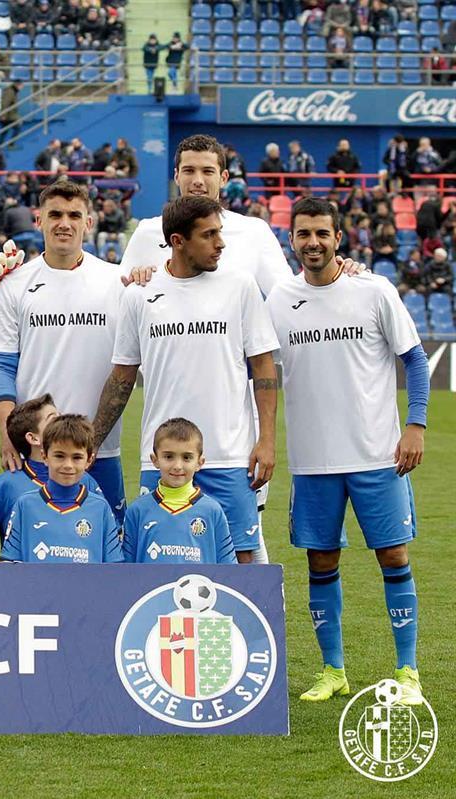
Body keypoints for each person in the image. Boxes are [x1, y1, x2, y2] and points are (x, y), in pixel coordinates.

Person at [268, 197, 427, 704]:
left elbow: (416, 361)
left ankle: (408, 670)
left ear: (339, 237)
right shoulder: (278, 300)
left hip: (379, 456)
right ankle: (332, 670)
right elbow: (261, 371)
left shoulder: (373, 290)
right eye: (303, 234)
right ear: (291, 241)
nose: (312, 242)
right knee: (320, 562)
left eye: (322, 233)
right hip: (314, 462)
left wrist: (416, 425)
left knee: (394, 555)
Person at [119, 135, 297, 564]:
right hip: (165, 429)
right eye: (189, 171)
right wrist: (136, 278)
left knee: (243, 539)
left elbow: (290, 299)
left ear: (225, 177)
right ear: (176, 175)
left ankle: (260, 624)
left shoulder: (252, 234)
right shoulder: (148, 232)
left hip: (232, 431)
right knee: (165, 541)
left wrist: (343, 271)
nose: (197, 180)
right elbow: (122, 304)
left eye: (207, 171)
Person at [93, 195, 280, 564]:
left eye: (220, 233)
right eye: (209, 235)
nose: (221, 244)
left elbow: (263, 366)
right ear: (178, 241)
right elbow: (122, 376)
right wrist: (92, 440)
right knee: (156, 562)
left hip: (230, 456)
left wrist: (267, 440)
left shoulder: (240, 286)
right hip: (163, 458)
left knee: (242, 564)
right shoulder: (139, 295)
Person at [0, 180, 127, 519]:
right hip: (37, 450)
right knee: (31, 545)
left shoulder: (117, 282)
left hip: (100, 448)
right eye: (56, 214)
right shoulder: (15, 284)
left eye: (75, 215)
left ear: (88, 223)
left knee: (109, 551)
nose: (65, 223)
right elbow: (2, 365)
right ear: (40, 220)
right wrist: (9, 435)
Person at [0, 394, 104, 554]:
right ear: (33, 438)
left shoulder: (86, 480)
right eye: (53, 419)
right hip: (26, 578)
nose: (62, 422)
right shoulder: (6, 485)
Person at [0, 415, 122, 564]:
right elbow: (9, 563)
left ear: (89, 460)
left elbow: (115, 568)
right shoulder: (25, 505)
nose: (68, 465)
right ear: (45, 456)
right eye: (59, 456)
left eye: (76, 457)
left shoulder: (100, 508)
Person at [121, 418, 237, 565]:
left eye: (187, 458)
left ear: (200, 463)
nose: (177, 465)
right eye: (169, 457)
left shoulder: (212, 511)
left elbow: (229, 571)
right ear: (154, 460)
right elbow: (124, 572)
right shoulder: (137, 511)